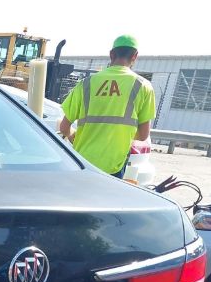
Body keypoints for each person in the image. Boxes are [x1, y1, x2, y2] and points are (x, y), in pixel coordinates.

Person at [59, 35, 156, 179]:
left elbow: (64, 127)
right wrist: (122, 134)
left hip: (82, 162)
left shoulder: (86, 83)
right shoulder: (143, 86)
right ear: (135, 56)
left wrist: (72, 135)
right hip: (114, 165)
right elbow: (143, 135)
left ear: (111, 54)